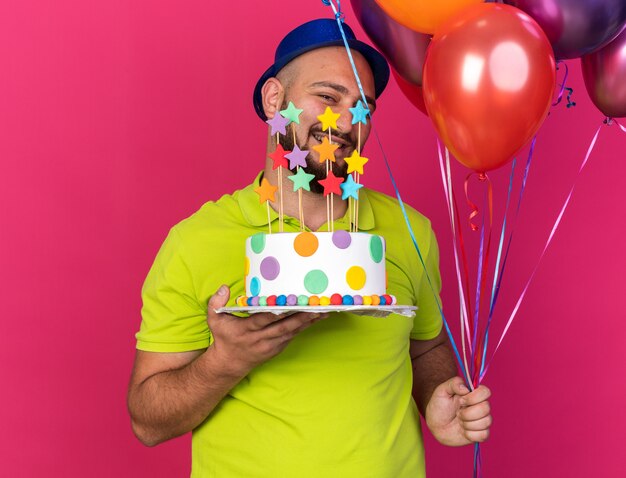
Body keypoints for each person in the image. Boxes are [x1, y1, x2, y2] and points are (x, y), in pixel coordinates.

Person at [128, 18, 492, 477]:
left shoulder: (408, 230)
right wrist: (225, 362)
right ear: (274, 99)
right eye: (328, 96)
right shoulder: (196, 241)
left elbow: (424, 344)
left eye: (364, 107)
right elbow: (147, 421)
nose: (346, 122)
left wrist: (439, 397)